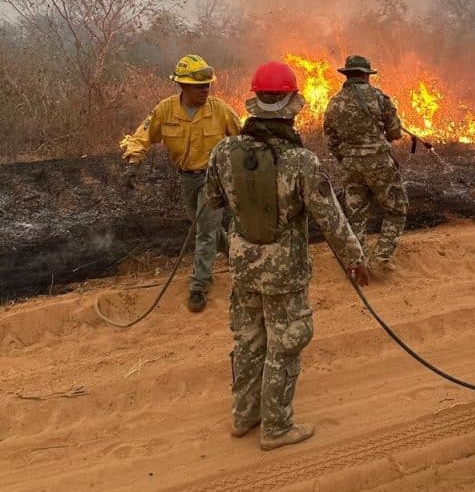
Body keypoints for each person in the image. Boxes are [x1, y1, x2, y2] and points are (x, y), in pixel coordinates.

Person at [205, 61, 369, 451]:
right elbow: (331, 218)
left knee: (247, 339)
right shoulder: (301, 162)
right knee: (286, 341)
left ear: (255, 101)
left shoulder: (224, 151)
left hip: (243, 266)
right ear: (291, 103)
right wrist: (355, 257)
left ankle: (244, 416)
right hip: (285, 272)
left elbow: (212, 200)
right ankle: (276, 427)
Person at [120, 54, 240, 313]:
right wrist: (133, 163)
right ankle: (239, 254)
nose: (206, 89)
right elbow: (142, 136)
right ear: (183, 86)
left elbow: (243, 137)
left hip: (214, 179)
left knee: (205, 231)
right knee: (205, 226)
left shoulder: (219, 109)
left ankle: (199, 285)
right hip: (187, 178)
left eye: (208, 85)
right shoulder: (165, 110)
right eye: (200, 86)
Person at [322, 55, 408, 272]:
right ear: (365, 75)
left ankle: (358, 264)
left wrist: (348, 158)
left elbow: (331, 142)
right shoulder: (379, 97)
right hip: (379, 163)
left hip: (350, 166)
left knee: (356, 215)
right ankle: (381, 259)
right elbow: (395, 132)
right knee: (397, 209)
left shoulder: (334, 103)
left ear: (348, 75)